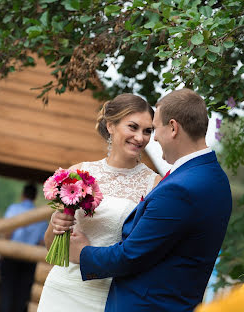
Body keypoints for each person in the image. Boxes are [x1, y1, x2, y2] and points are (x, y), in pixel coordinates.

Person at [69, 88, 233, 311]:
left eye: (155, 129)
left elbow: (131, 255)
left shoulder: (180, 188)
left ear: (173, 128)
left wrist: (83, 253)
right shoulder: (215, 178)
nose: (153, 138)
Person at [37, 94, 161, 312]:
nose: (140, 137)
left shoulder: (155, 185)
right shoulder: (77, 173)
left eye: (147, 131)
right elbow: (50, 248)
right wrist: (56, 224)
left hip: (108, 296)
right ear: (110, 125)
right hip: (62, 290)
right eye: (132, 127)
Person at [0, 183, 48, 312]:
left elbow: (7, 232)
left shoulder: (13, 209)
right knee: (23, 294)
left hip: (10, 255)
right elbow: (41, 242)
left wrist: (2, 252)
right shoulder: (41, 216)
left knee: (7, 291)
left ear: (22, 195)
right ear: (35, 197)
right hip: (29, 259)